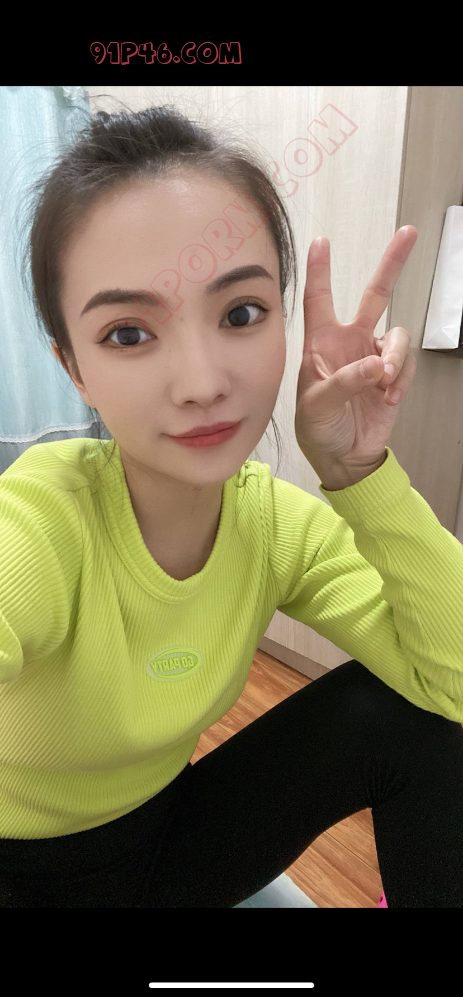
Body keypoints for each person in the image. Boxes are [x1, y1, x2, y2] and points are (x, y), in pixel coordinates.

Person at [0, 102, 462, 908]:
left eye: (240, 313)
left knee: (424, 722)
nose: (202, 382)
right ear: (74, 369)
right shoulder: (38, 528)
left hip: (170, 840)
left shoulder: (279, 527)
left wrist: (360, 473)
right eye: (127, 334)